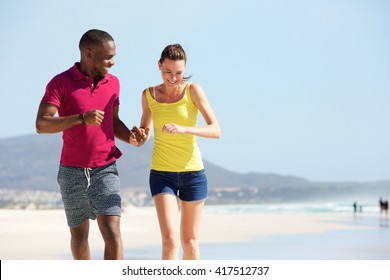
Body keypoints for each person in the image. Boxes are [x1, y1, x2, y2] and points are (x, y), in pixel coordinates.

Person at [35, 29, 140, 260]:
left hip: (106, 168)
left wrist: (132, 137)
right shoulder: (60, 82)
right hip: (71, 171)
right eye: (108, 57)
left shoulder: (114, 83)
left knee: (112, 232)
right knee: (80, 237)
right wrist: (81, 118)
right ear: (88, 53)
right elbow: (42, 124)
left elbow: (112, 121)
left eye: (114, 57)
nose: (112, 63)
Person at [131, 44, 221, 260]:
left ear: (185, 69)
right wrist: (139, 138)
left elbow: (216, 130)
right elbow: (145, 130)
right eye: (167, 72)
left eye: (178, 73)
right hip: (162, 174)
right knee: (170, 240)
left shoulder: (193, 91)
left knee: (189, 243)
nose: (172, 78)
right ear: (159, 66)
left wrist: (185, 129)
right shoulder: (148, 95)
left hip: (193, 174)